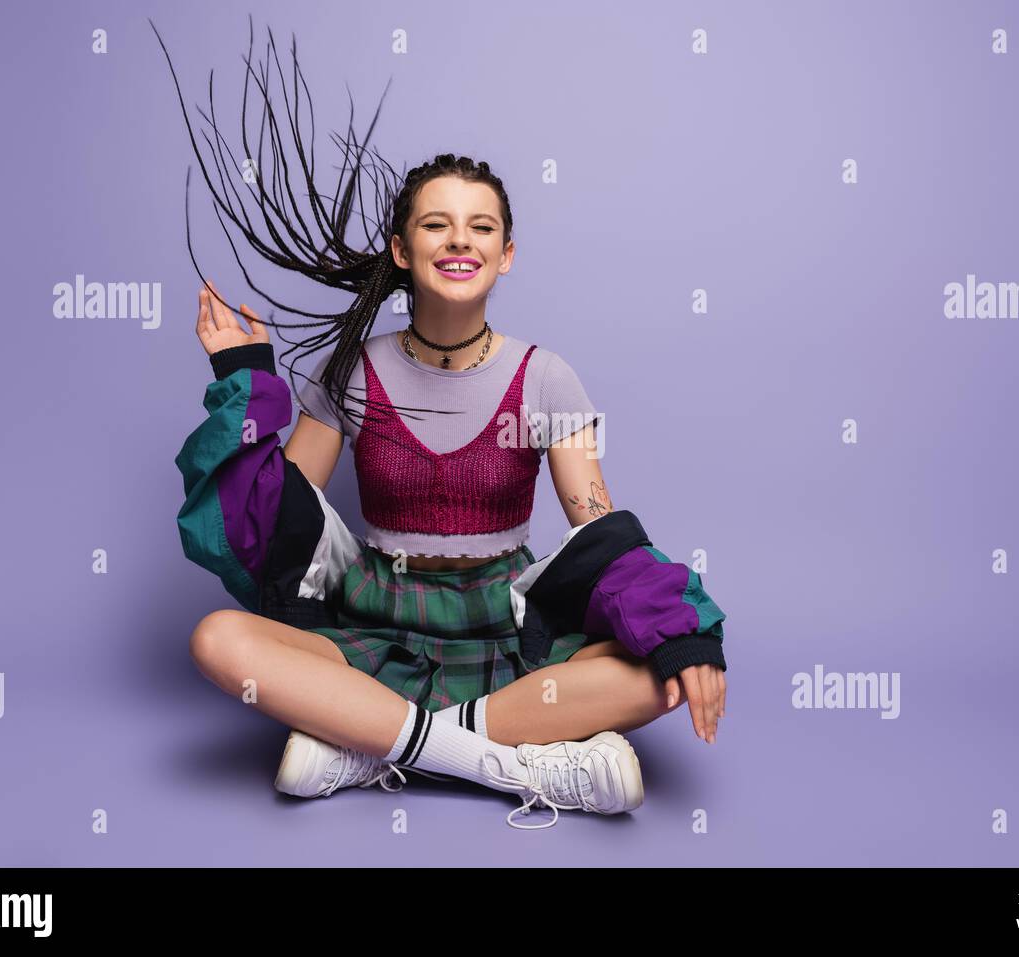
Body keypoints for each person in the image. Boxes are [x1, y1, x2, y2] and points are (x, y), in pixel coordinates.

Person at [159, 22, 728, 829]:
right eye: (435, 224)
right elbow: (276, 518)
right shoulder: (350, 370)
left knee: (659, 674)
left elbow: (597, 526)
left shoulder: (547, 376)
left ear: (506, 255)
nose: (459, 238)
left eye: (481, 226)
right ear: (401, 247)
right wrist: (243, 377)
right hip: (373, 616)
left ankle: (364, 745)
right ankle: (515, 764)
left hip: (508, 625)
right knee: (219, 639)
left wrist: (682, 632)